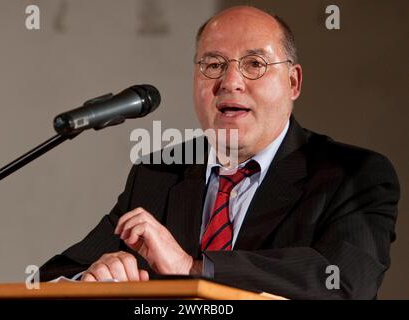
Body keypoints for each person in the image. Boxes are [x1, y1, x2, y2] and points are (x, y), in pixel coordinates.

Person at [39, 6, 400, 299]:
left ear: (293, 82)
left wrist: (195, 269)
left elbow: (347, 282)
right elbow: (53, 276)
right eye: (213, 65)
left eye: (255, 64)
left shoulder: (353, 174)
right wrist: (93, 275)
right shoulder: (159, 174)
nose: (230, 82)